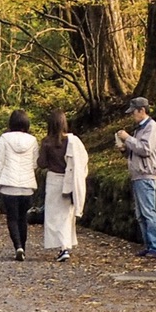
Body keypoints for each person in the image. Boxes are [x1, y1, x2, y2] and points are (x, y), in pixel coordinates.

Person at [115, 95, 156, 259]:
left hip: (146, 174)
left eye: (133, 112)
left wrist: (127, 138)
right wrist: (124, 149)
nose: (132, 115)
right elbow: (137, 151)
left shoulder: (151, 128)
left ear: (142, 111)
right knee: (141, 214)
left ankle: (155, 247)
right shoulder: (140, 129)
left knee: (148, 212)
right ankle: (148, 245)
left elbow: (145, 149)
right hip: (138, 174)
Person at [37, 109, 89, 263]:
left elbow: (42, 163)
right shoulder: (73, 141)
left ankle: (63, 246)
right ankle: (65, 246)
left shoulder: (47, 142)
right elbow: (83, 159)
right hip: (70, 180)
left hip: (54, 180)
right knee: (67, 216)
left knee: (54, 216)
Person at [0, 108, 39, 261]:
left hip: (8, 185)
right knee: (23, 218)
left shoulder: (5, 138)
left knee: (12, 218)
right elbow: (35, 163)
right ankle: (22, 247)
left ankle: (17, 246)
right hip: (27, 186)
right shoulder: (32, 140)